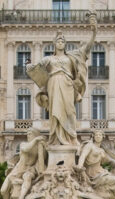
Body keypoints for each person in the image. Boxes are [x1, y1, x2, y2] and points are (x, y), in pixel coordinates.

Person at [26, 13, 97, 146]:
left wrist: (94, 31)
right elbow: (36, 67)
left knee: (70, 111)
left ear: (65, 44)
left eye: (63, 41)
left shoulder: (72, 57)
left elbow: (88, 47)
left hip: (68, 85)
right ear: (54, 44)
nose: (60, 43)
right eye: (58, 41)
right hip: (54, 83)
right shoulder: (49, 59)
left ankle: (71, 136)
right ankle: (56, 138)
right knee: (55, 112)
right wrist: (29, 66)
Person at [77, 130, 115, 199]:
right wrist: (80, 166)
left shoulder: (101, 151)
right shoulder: (89, 145)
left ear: (103, 137)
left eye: (100, 135)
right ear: (93, 136)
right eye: (96, 135)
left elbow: (110, 161)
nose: (98, 136)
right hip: (92, 174)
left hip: (100, 172)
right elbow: (83, 156)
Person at [1, 127, 47, 199]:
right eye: (27, 134)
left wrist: (42, 148)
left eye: (30, 134)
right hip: (17, 170)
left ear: (35, 135)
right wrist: (36, 140)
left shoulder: (37, 147)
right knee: (3, 190)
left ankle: (21, 198)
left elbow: (41, 161)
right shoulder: (23, 144)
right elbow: (26, 149)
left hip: (29, 169)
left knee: (27, 177)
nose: (28, 136)